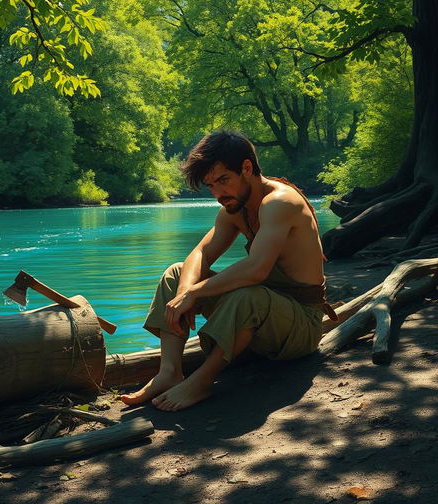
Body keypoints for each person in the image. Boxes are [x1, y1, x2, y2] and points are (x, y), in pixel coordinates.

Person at [121, 129, 337, 412]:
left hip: (300, 327)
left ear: (247, 168)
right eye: (211, 186)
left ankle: (202, 381)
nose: (218, 193)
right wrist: (185, 292)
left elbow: (256, 270)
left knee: (247, 295)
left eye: (223, 180)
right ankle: (169, 371)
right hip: (260, 320)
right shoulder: (234, 209)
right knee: (177, 273)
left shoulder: (280, 203)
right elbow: (200, 253)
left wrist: (196, 293)